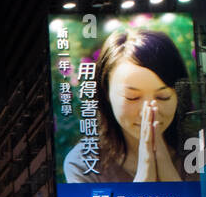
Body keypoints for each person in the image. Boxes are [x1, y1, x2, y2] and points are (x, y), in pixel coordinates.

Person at [62, 25, 192, 183]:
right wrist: (145, 170)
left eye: (163, 96)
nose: (149, 112)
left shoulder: (200, 153)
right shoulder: (83, 164)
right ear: (106, 92)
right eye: (132, 97)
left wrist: (165, 166)